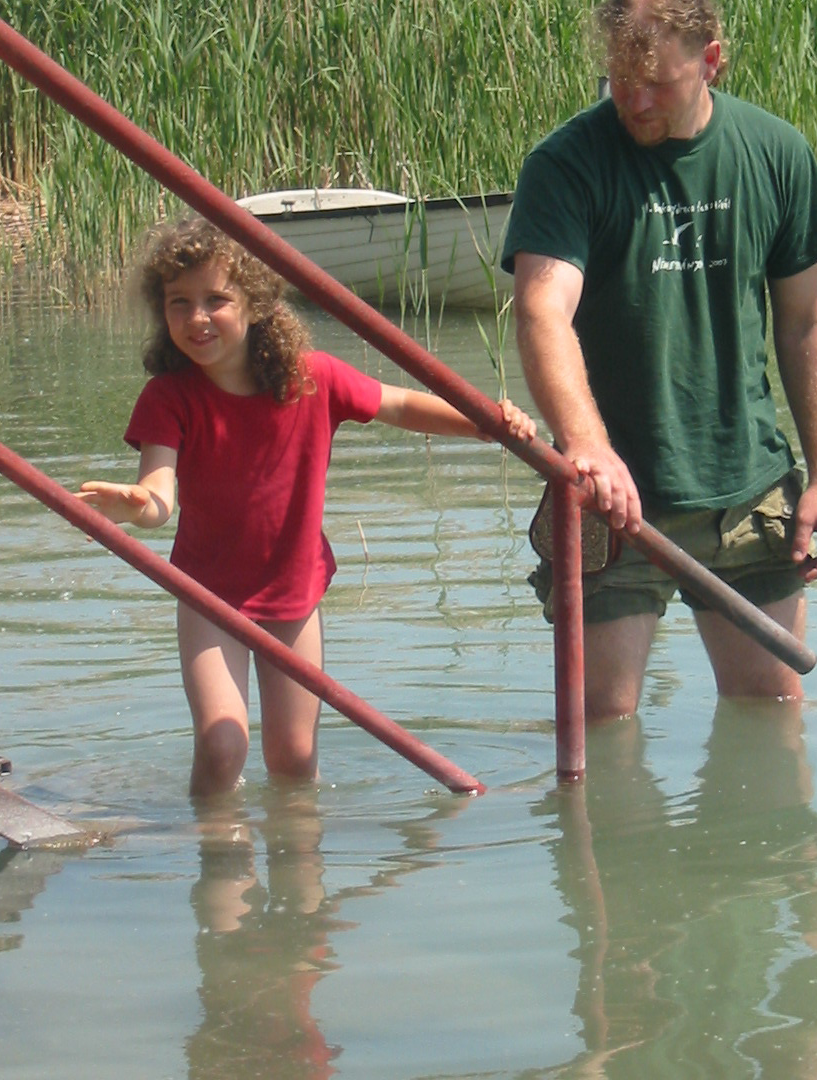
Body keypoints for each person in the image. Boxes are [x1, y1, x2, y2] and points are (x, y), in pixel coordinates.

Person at [75, 216, 534, 797]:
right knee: (223, 746)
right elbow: (158, 497)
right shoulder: (169, 397)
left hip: (293, 593)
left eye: (216, 299)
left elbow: (398, 405)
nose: (196, 318)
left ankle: (303, 878)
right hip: (208, 595)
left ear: (257, 302)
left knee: (293, 758)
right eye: (178, 302)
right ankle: (214, 860)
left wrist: (486, 425)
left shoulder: (311, 379)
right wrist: (136, 507)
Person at [501, 0, 817, 720]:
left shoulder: (776, 152)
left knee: (771, 716)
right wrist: (585, 444)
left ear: (711, 60)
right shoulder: (565, 165)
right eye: (621, 79)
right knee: (603, 728)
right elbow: (541, 310)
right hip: (612, 499)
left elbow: (807, 321)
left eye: (656, 81)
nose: (634, 100)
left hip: (747, 491)